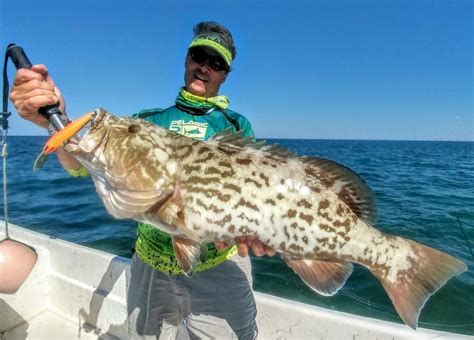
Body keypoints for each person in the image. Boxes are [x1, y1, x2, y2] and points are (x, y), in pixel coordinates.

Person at [10, 21, 275, 339]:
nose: (204, 67)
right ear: (187, 60)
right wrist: (56, 120)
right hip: (149, 265)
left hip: (217, 264)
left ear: (225, 74)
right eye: (198, 56)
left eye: (215, 63)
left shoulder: (235, 125)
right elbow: (80, 164)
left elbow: (250, 190)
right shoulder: (145, 120)